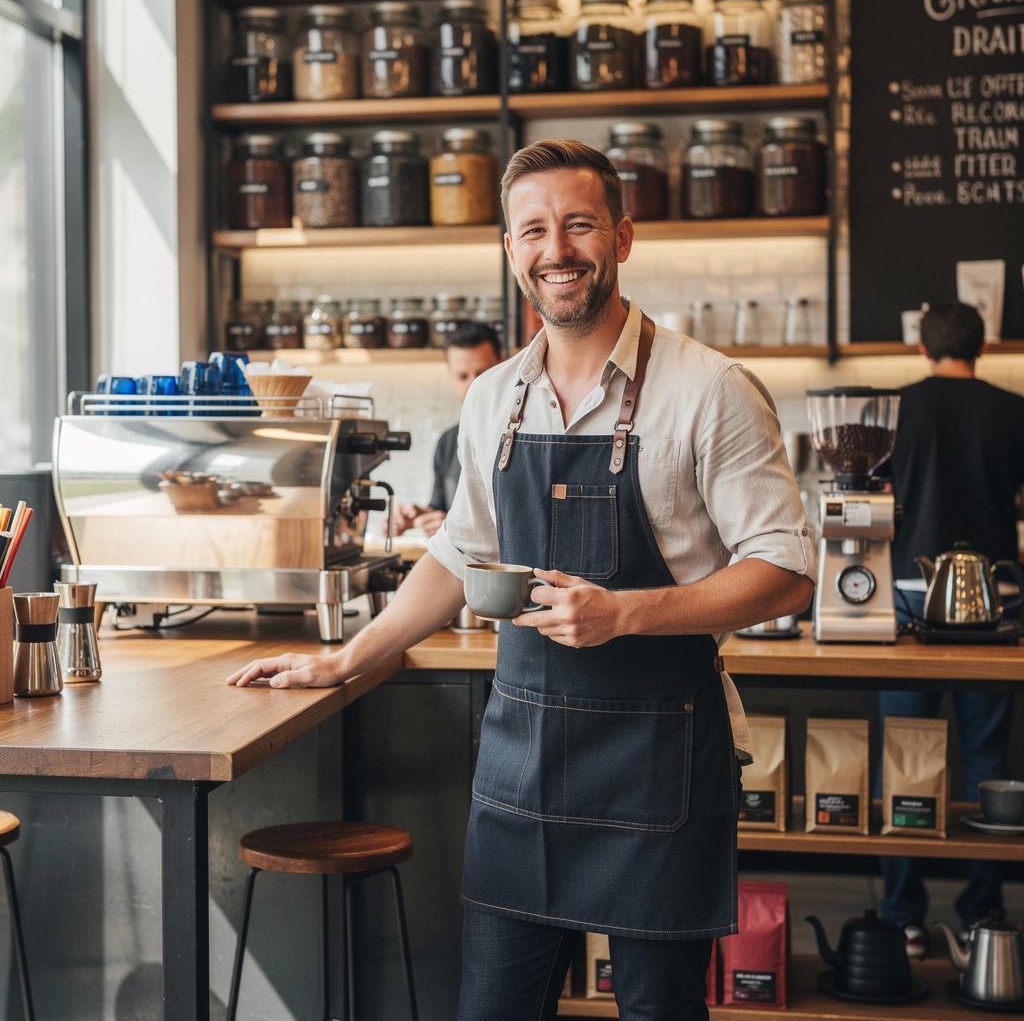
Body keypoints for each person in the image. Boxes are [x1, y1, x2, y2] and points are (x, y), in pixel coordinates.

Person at [227, 140, 815, 1021]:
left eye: (579, 225)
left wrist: (626, 612)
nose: (556, 249)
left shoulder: (712, 389)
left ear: (621, 236)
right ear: (511, 251)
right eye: (533, 229)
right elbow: (461, 555)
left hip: (659, 759)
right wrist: (344, 660)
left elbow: (788, 571)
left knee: (660, 1012)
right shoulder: (491, 398)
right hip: (522, 762)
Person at [879, 301, 1024, 955]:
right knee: (988, 761)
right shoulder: (1012, 408)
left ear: (921, 345)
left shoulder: (893, 408)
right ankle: (982, 917)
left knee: (905, 754)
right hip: (997, 596)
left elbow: (875, 503)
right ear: (984, 343)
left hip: (910, 594)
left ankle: (903, 917)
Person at [392, 322, 502, 538]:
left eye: (483, 373)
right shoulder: (449, 441)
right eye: (463, 376)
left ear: (503, 366)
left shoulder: (527, 436)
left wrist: (456, 528)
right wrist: (418, 517)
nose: (474, 385)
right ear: (451, 377)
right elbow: (442, 508)